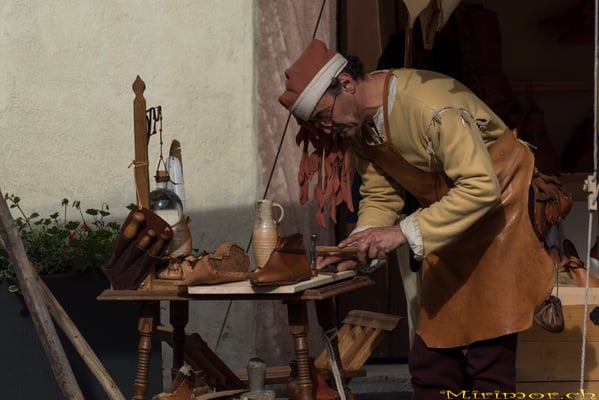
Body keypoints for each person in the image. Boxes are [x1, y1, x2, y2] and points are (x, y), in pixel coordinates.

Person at [278, 38, 555, 397]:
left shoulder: (430, 106)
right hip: (450, 214)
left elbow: (480, 186)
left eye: (323, 117)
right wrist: (364, 240)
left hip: (501, 207)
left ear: (346, 84)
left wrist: (401, 233)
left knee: (488, 354)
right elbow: (381, 192)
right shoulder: (360, 124)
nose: (326, 130)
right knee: (432, 361)